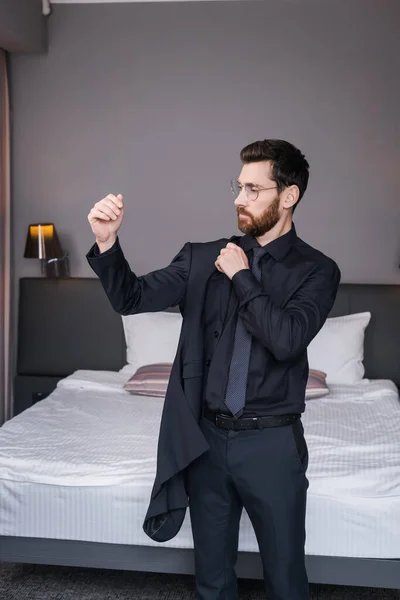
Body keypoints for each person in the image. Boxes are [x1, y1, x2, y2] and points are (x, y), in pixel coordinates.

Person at [86, 139, 341, 600]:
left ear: (288, 196)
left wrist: (242, 276)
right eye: (238, 186)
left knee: (286, 582)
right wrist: (108, 243)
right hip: (208, 444)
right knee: (212, 581)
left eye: (253, 189)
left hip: (272, 446)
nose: (239, 199)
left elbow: (285, 340)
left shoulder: (317, 271)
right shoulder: (202, 257)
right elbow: (132, 298)